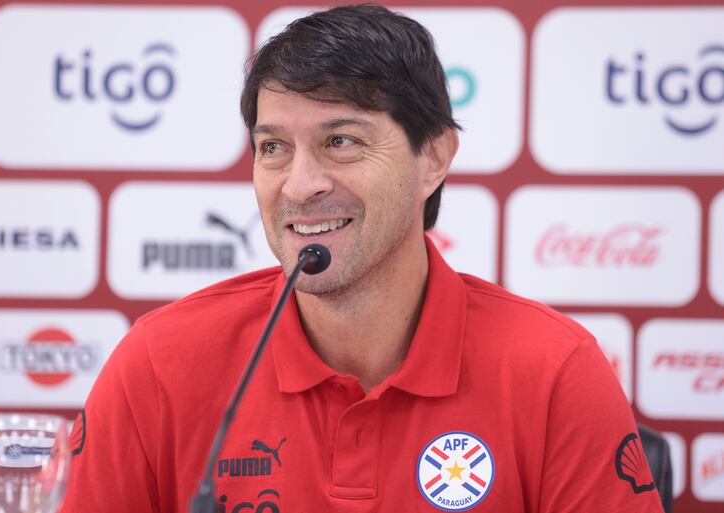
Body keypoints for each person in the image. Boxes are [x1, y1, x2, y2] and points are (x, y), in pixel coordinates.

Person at [60, 4, 665, 513]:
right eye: (273, 147)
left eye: (340, 141)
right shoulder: (161, 362)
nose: (299, 185)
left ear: (433, 158)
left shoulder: (555, 370)